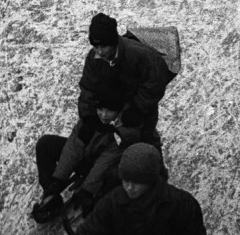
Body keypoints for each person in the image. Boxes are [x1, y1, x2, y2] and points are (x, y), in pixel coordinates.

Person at [33, 14, 174, 224]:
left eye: (103, 47)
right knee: (46, 145)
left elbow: (155, 80)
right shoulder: (95, 60)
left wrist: (136, 108)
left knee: (126, 164)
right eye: (95, 46)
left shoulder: (139, 56)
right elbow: (88, 88)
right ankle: (52, 197)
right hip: (109, 115)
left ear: (114, 41)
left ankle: (141, 188)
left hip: (131, 119)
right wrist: (89, 116)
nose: (98, 51)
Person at [75, 143, 207, 235]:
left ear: (150, 181)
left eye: (137, 182)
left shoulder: (181, 204)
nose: (129, 187)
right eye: (125, 180)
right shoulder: (111, 203)